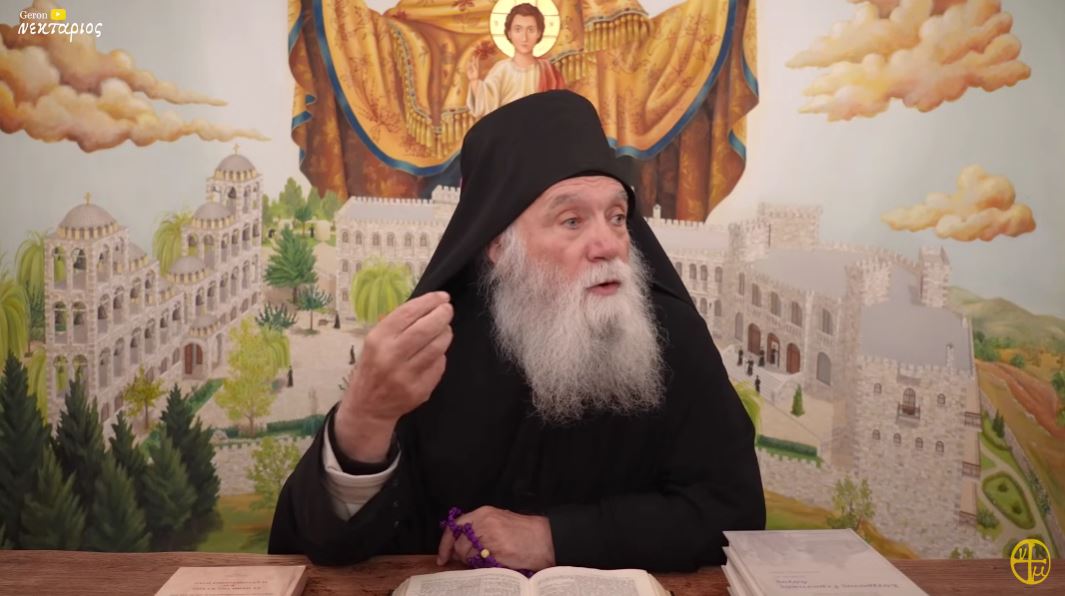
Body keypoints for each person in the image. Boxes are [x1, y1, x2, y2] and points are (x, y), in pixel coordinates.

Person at [268, 91, 764, 572]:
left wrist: (555, 538)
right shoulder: (438, 345)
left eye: (617, 217)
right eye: (572, 220)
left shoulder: (670, 335)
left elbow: (732, 513)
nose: (610, 244)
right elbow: (324, 547)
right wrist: (365, 420)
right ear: (500, 248)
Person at [466, 3, 565, 119]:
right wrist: (474, 82)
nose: (524, 38)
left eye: (531, 30)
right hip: (507, 127)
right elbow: (487, 105)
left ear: (539, 33)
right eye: (518, 29)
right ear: (509, 33)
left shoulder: (548, 71)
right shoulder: (501, 69)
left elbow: (560, 107)